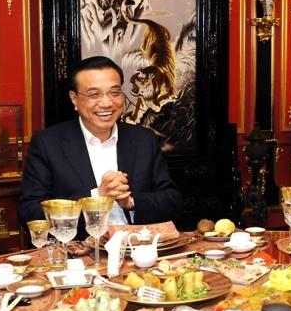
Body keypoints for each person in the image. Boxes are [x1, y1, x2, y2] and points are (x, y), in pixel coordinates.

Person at [19, 56, 183, 237]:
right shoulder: (48, 144)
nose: (106, 103)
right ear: (74, 99)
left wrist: (130, 201)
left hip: (138, 246)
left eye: (115, 92)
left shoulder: (143, 139)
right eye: (94, 94)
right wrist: (97, 197)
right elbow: (30, 212)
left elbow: (172, 201)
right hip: (81, 250)